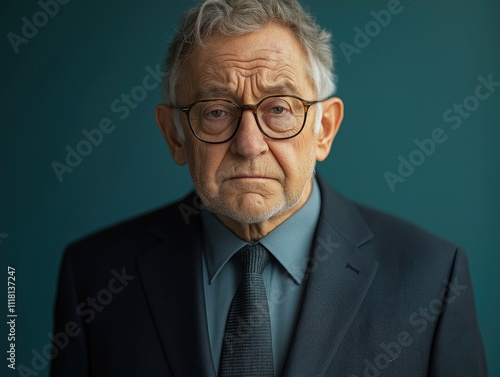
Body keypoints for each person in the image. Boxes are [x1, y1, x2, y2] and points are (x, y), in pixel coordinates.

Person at [50, 0, 488, 376]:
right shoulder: (95, 276)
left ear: (324, 130)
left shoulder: (432, 279)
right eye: (216, 111)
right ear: (174, 135)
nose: (248, 144)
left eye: (279, 108)